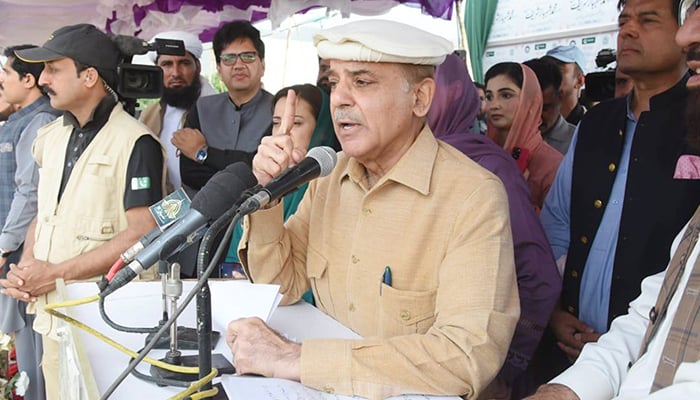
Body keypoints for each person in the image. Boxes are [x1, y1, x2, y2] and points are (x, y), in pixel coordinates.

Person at [226, 19, 519, 400]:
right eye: (334, 83)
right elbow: (282, 288)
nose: (340, 100)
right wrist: (271, 194)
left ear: (420, 99)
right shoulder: (328, 178)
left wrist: (300, 360)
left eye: (362, 82)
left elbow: (465, 356)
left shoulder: (473, 197)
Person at [526, 6, 700, 398]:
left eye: (648, 19)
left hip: (657, 354)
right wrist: (554, 312)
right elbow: (557, 225)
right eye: (624, 21)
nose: (629, 32)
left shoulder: (694, 121)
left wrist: (621, 344)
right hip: (574, 348)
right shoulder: (596, 124)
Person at [0, 24, 164, 400]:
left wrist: (53, 274)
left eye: (54, 70)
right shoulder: (51, 137)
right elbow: (44, 212)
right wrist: (29, 267)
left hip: (106, 322)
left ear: (89, 76)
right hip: (54, 314)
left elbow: (141, 234)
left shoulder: (137, 142)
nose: (42, 80)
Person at [429, 53, 561, 400]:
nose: (494, 105)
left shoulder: (487, 166)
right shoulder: (416, 162)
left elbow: (537, 271)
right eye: (489, 95)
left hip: (481, 363)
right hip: (431, 359)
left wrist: (502, 367)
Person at [221, 83, 337, 279]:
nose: (284, 131)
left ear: (321, 127)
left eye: (297, 123)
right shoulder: (261, 182)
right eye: (276, 122)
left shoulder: (333, 188)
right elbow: (235, 258)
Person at [0, 45, 59, 400]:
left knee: (35, 348)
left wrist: (5, 244)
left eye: (7, 73)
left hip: (26, 250)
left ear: (28, 79)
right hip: (14, 245)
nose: (0, 81)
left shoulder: (39, 121)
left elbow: (30, 191)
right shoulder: (19, 119)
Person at [174, 20, 272, 196]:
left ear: (262, 65)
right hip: (204, 217)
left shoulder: (276, 111)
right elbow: (190, 174)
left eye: (248, 56)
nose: (239, 65)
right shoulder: (202, 108)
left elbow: (264, 171)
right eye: (228, 58)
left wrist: (202, 153)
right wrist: (245, 167)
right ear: (219, 69)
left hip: (257, 215)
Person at [139, 30, 217, 193]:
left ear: (198, 67)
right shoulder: (149, 115)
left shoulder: (217, 110)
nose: (175, 73)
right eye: (167, 64)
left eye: (184, 63)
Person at [484, 62, 563, 210]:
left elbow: (556, 226)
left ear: (529, 101)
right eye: (489, 96)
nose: (494, 105)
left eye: (506, 95)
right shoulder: (482, 154)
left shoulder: (552, 165)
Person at [524, 57, 576, 155]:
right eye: (530, 108)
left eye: (544, 108)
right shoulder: (500, 140)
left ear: (560, 97)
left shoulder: (578, 143)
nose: (537, 118)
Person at [544, 45, 588, 125]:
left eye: (558, 69)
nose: (550, 74)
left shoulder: (592, 125)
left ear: (579, 81)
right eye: (547, 69)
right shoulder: (536, 125)